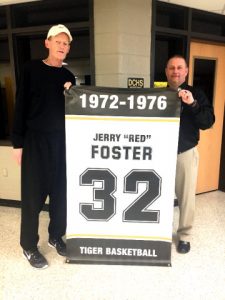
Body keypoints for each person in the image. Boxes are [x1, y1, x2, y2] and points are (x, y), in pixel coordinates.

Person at [11, 24, 75, 268]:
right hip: (35, 142)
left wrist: (73, 93)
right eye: (58, 41)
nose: (62, 46)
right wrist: (17, 143)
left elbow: (75, 112)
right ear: (47, 43)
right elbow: (21, 105)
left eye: (66, 43)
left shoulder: (69, 78)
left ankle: (56, 236)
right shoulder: (31, 69)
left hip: (62, 143)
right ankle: (28, 245)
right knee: (32, 198)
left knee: (61, 195)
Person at [165, 55, 215, 254]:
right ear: (166, 71)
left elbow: (208, 122)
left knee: (186, 198)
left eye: (179, 68)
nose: (175, 71)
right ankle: (160, 233)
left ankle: (184, 236)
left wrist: (193, 104)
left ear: (185, 71)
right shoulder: (158, 95)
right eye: (171, 68)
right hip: (161, 153)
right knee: (159, 196)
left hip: (185, 152)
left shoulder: (197, 94)